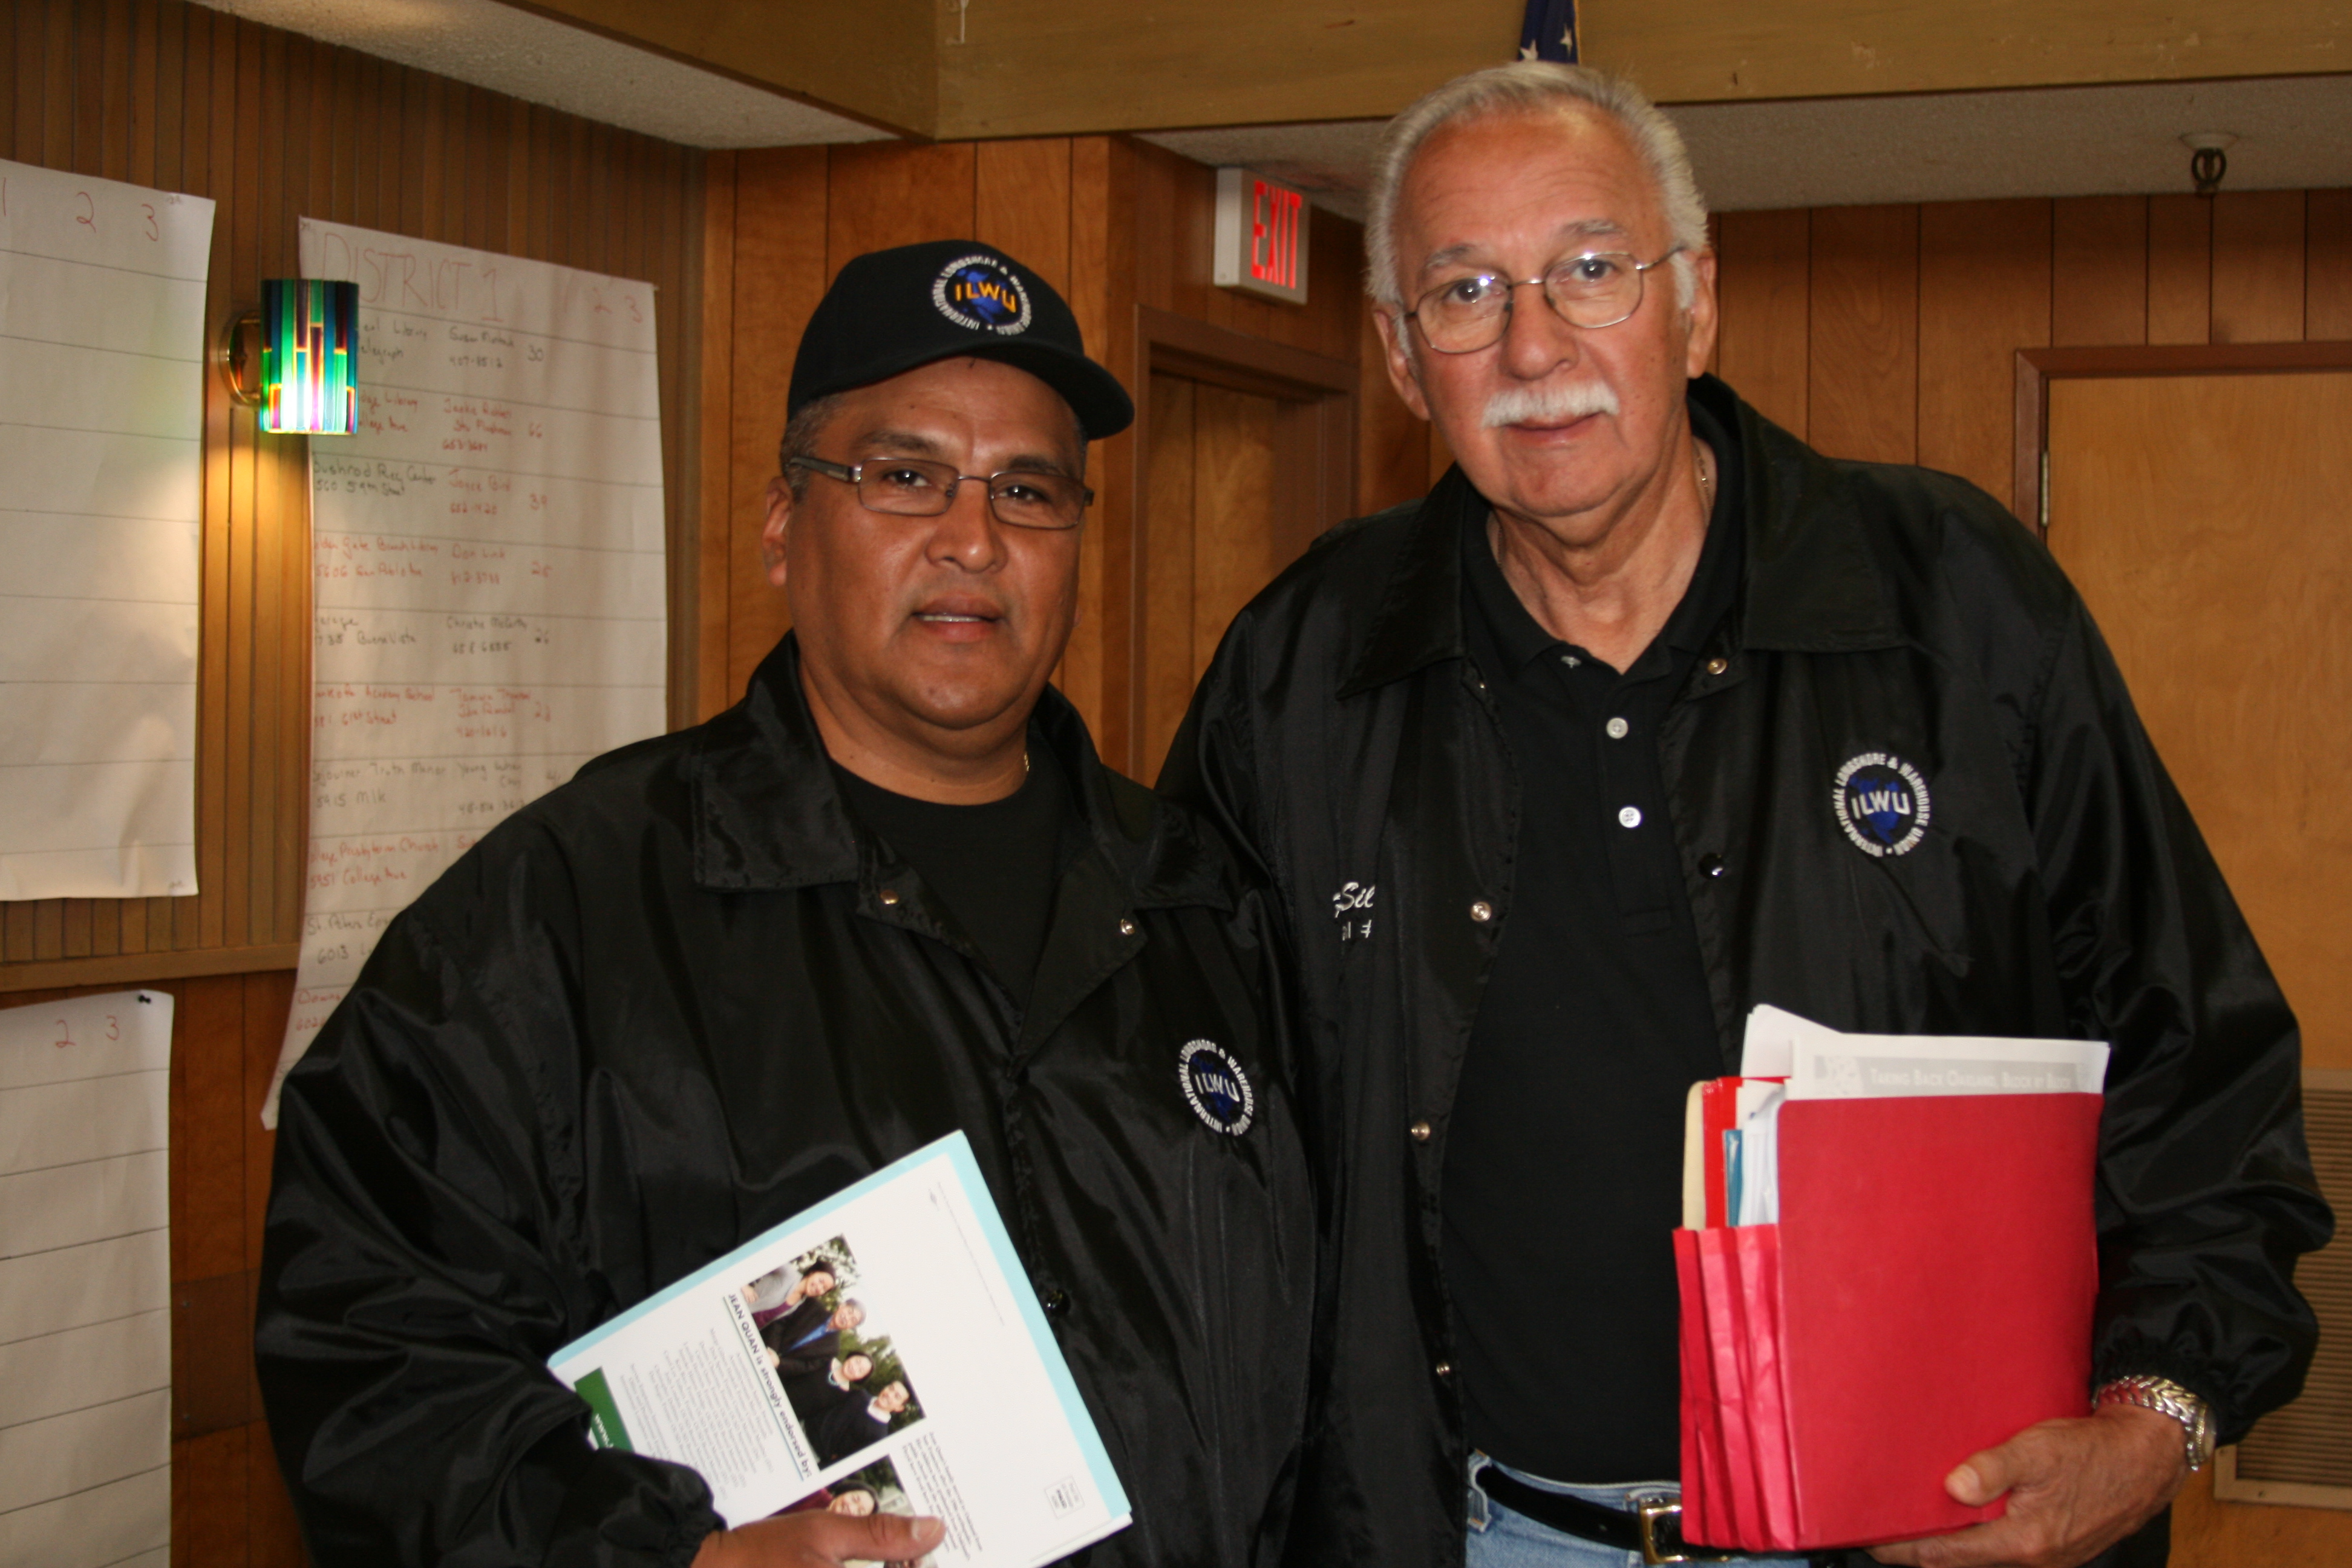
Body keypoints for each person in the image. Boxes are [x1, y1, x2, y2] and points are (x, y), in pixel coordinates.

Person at [1159, 62, 2332, 1568]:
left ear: (1696, 303)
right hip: (1473, 1534)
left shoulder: (1953, 603)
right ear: (1400, 355)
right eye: (1465, 293)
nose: (1534, 345)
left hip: (1920, 1524)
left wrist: (2159, 1418)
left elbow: (2203, 1064)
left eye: (1592, 270)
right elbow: (1178, 1123)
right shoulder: (1304, 668)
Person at [258, 239, 1314, 1568]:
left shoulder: (1201, 900)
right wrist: (666, 1562)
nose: (974, 538)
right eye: (905, 476)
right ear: (780, 526)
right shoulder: (564, 911)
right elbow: (370, 1357)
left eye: (1028, 490)